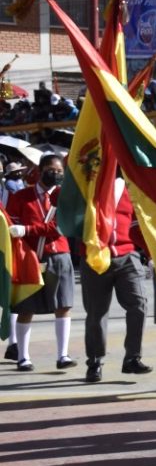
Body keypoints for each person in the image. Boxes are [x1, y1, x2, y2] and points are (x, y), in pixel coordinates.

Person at [7, 154, 78, 373]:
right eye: (51, 169)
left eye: (59, 171)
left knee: (63, 304)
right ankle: (23, 356)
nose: (55, 174)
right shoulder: (21, 197)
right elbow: (11, 227)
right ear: (40, 169)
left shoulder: (64, 197)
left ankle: (63, 355)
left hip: (59, 255)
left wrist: (27, 230)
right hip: (30, 258)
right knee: (26, 307)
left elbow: (59, 228)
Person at [79, 179, 152, 384]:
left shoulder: (130, 186)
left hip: (127, 254)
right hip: (94, 256)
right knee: (96, 312)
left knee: (139, 304)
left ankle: (132, 357)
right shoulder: (86, 183)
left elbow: (140, 226)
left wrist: (151, 254)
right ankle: (95, 362)